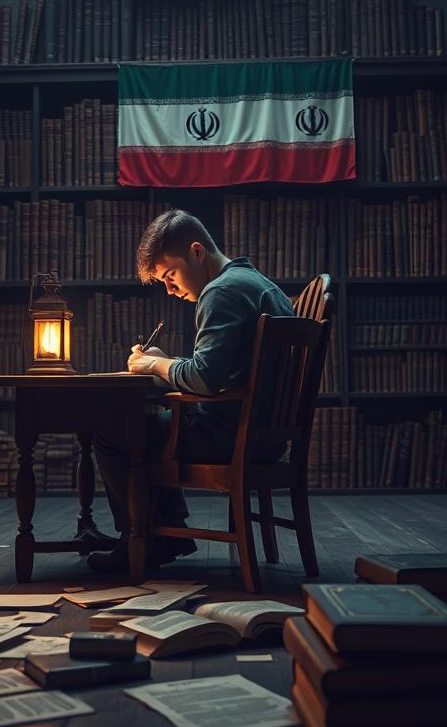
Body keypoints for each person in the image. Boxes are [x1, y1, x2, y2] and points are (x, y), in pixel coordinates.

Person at [87, 208, 295, 573]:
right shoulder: (259, 284)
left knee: (111, 430)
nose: (170, 290)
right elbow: (218, 369)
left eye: (170, 276)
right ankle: (167, 535)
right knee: (151, 424)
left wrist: (154, 365)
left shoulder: (221, 292)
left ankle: (142, 540)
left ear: (197, 252)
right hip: (263, 435)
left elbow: (203, 380)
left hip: (229, 437)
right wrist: (170, 363)